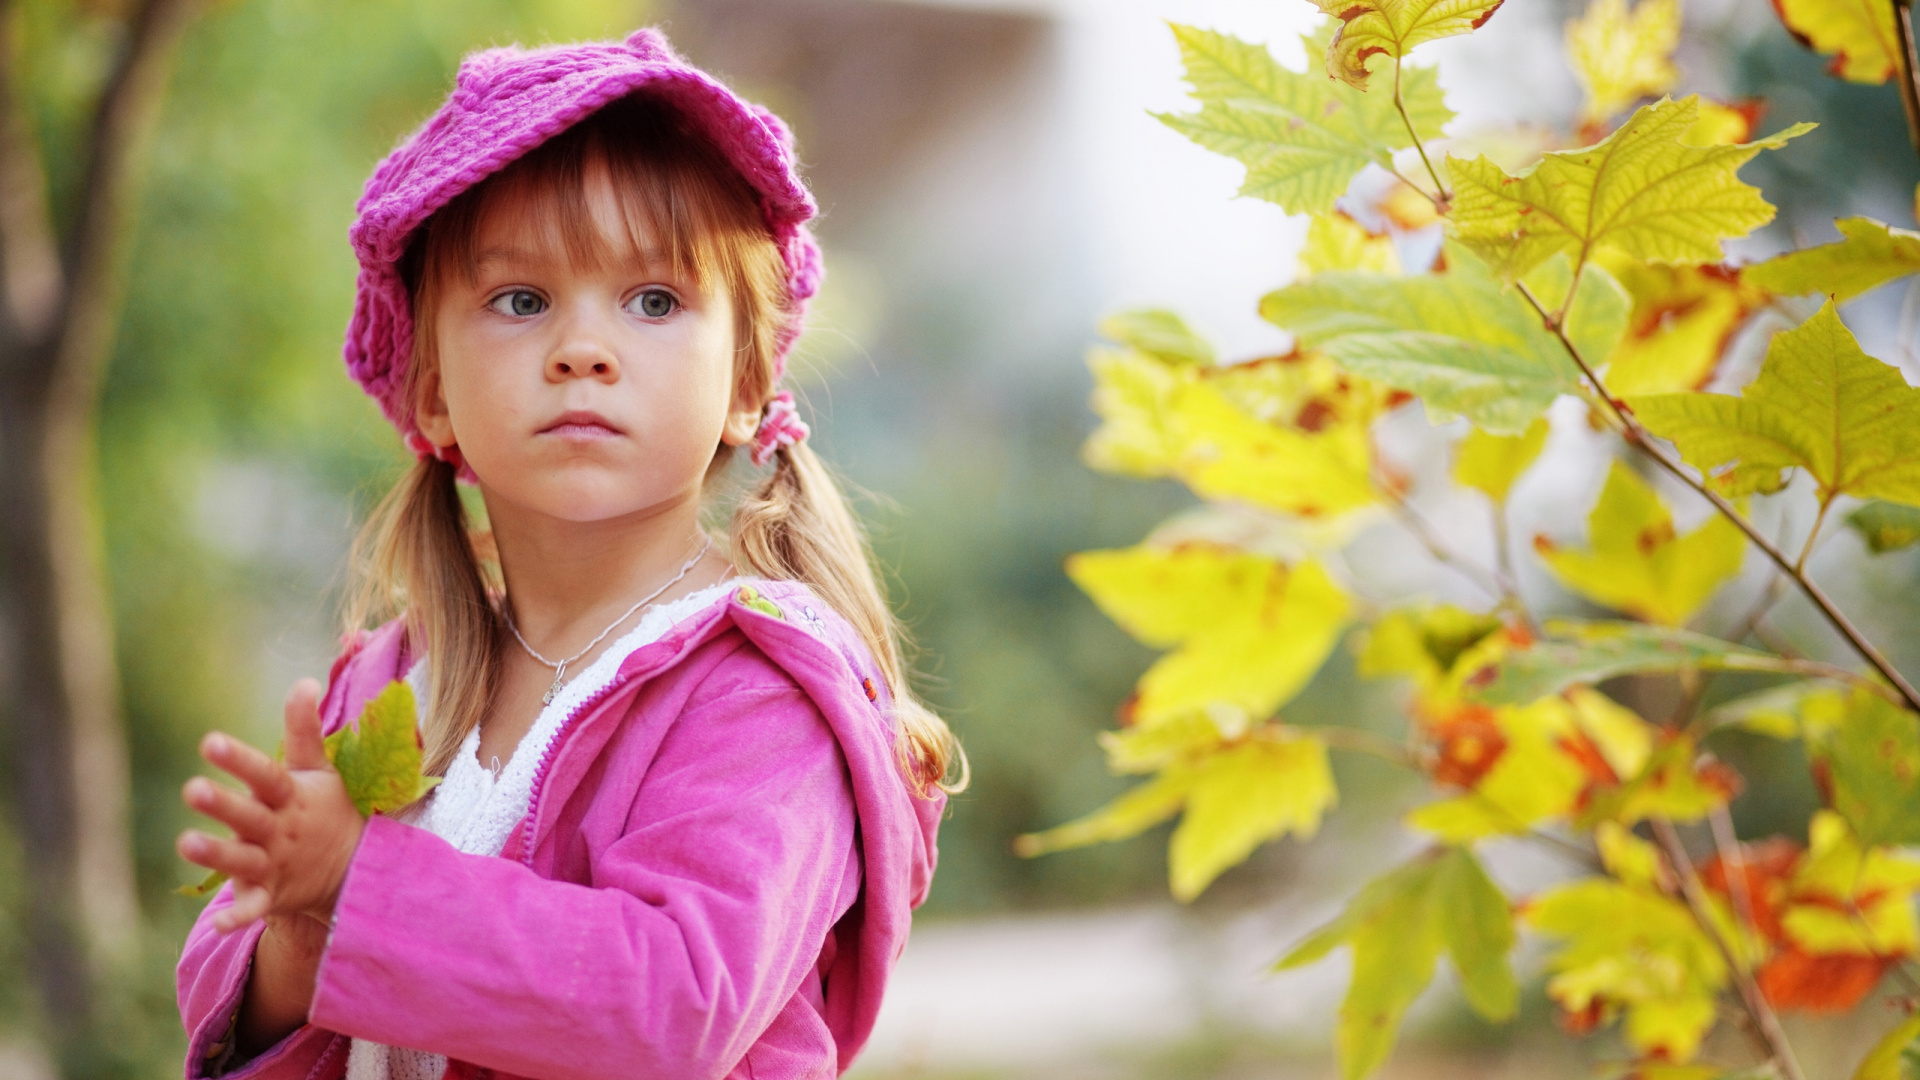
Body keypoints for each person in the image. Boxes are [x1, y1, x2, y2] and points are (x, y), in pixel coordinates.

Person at [172, 28, 962, 1080]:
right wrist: (300, 927)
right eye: (520, 300)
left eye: (653, 301)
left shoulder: (761, 693)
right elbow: (235, 1003)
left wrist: (363, 885)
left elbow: (675, 1003)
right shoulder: (393, 686)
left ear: (744, 384)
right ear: (433, 390)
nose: (581, 350)